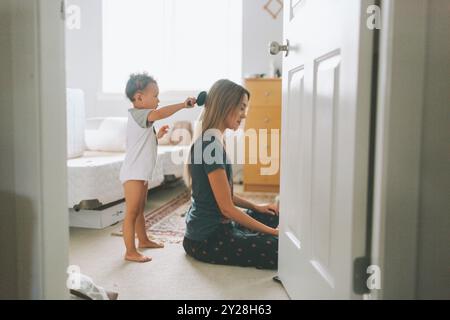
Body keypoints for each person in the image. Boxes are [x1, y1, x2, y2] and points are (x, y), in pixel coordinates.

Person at [183, 79, 279, 270]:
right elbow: (227, 208)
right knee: (281, 249)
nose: (245, 115)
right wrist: (273, 233)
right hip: (207, 239)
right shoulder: (210, 146)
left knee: (272, 215)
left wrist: (257, 207)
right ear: (226, 105)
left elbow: (224, 195)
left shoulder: (214, 141)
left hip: (221, 227)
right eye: (242, 107)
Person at [120, 72, 196, 262]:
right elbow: (161, 113)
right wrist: (182, 105)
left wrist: (157, 137)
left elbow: (142, 143)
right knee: (131, 212)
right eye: (155, 95)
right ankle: (130, 251)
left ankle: (143, 240)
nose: (158, 99)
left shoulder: (142, 118)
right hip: (133, 173)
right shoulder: (140, 114)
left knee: (139, 209)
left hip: (140, 173)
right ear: (139, 97)